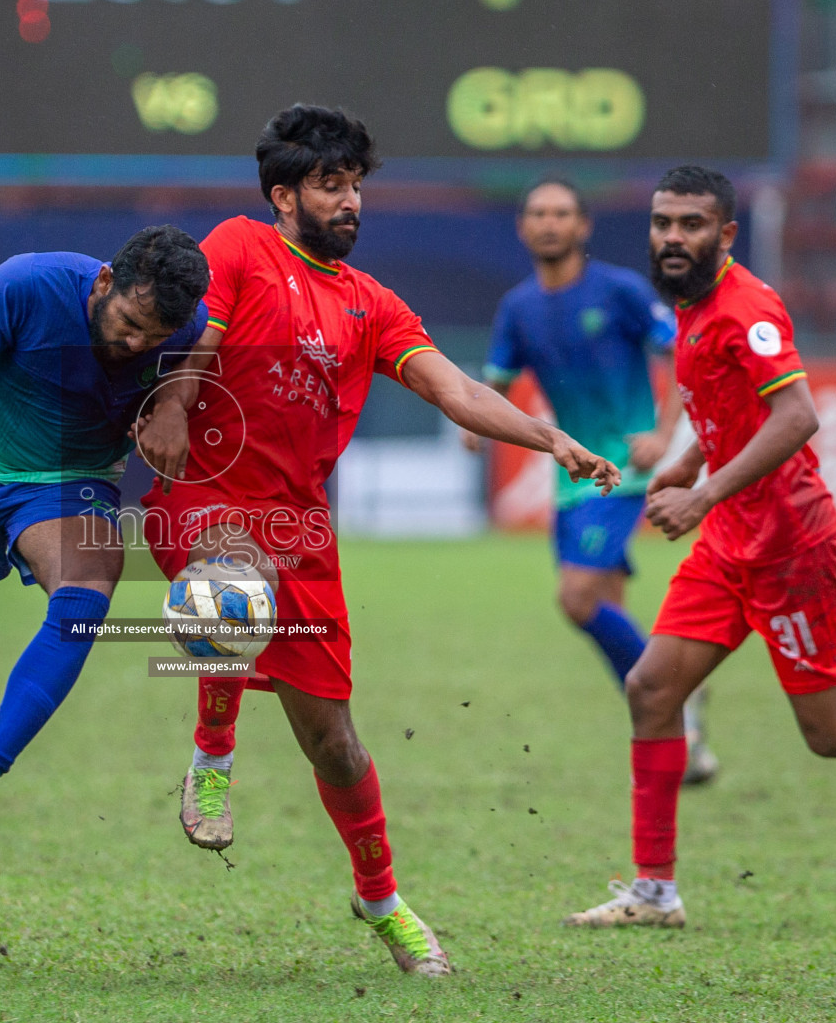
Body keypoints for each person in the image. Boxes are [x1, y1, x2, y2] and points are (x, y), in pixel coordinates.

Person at [135, 105, 621, 975]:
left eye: (356, 184)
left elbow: (458, 390)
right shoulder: (240, 247)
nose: (350, 199)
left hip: (303, 533)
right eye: (330, 185)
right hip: (201, 495)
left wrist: (549, 438)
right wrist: (170, 406)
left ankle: (381, 899)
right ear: (284, 196)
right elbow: (196, 343)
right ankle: (213, 751)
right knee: (232, 574)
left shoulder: (372, 304)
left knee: (338, 745)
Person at [564, 165, 836, 929]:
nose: (673, 237)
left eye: (690, 224)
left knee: (835, 734)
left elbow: (796, 416)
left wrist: (704, 492)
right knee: (652, 689)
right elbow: (718, 399)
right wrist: (686, 463)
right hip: (730, 544)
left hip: (789, 548)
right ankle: (654, 894)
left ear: (726, 233)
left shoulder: (746, 306)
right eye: (662, 223)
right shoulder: (686, 305)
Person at [0, 225, 210, 881]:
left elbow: (199, 351)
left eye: (154, 336)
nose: (138, 344)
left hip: (72, 480)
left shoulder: (185, 324)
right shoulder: (27, 283)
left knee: (92, 582)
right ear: (104, 284)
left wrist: (175, 399)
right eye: (130, 323)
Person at [468, 176, 719, 785]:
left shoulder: (621, 290)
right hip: (572, 478)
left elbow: (685, 349)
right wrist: (472, 420)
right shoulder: (519, 308)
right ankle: (669, 724)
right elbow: (494, 383)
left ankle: (673, 697)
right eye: (538, 213)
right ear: (523, 227)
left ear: (583, 226)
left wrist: (662, 436)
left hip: (625, 474)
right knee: (605, 607)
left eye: (562, 213)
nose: (550, 223)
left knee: (576, 599)